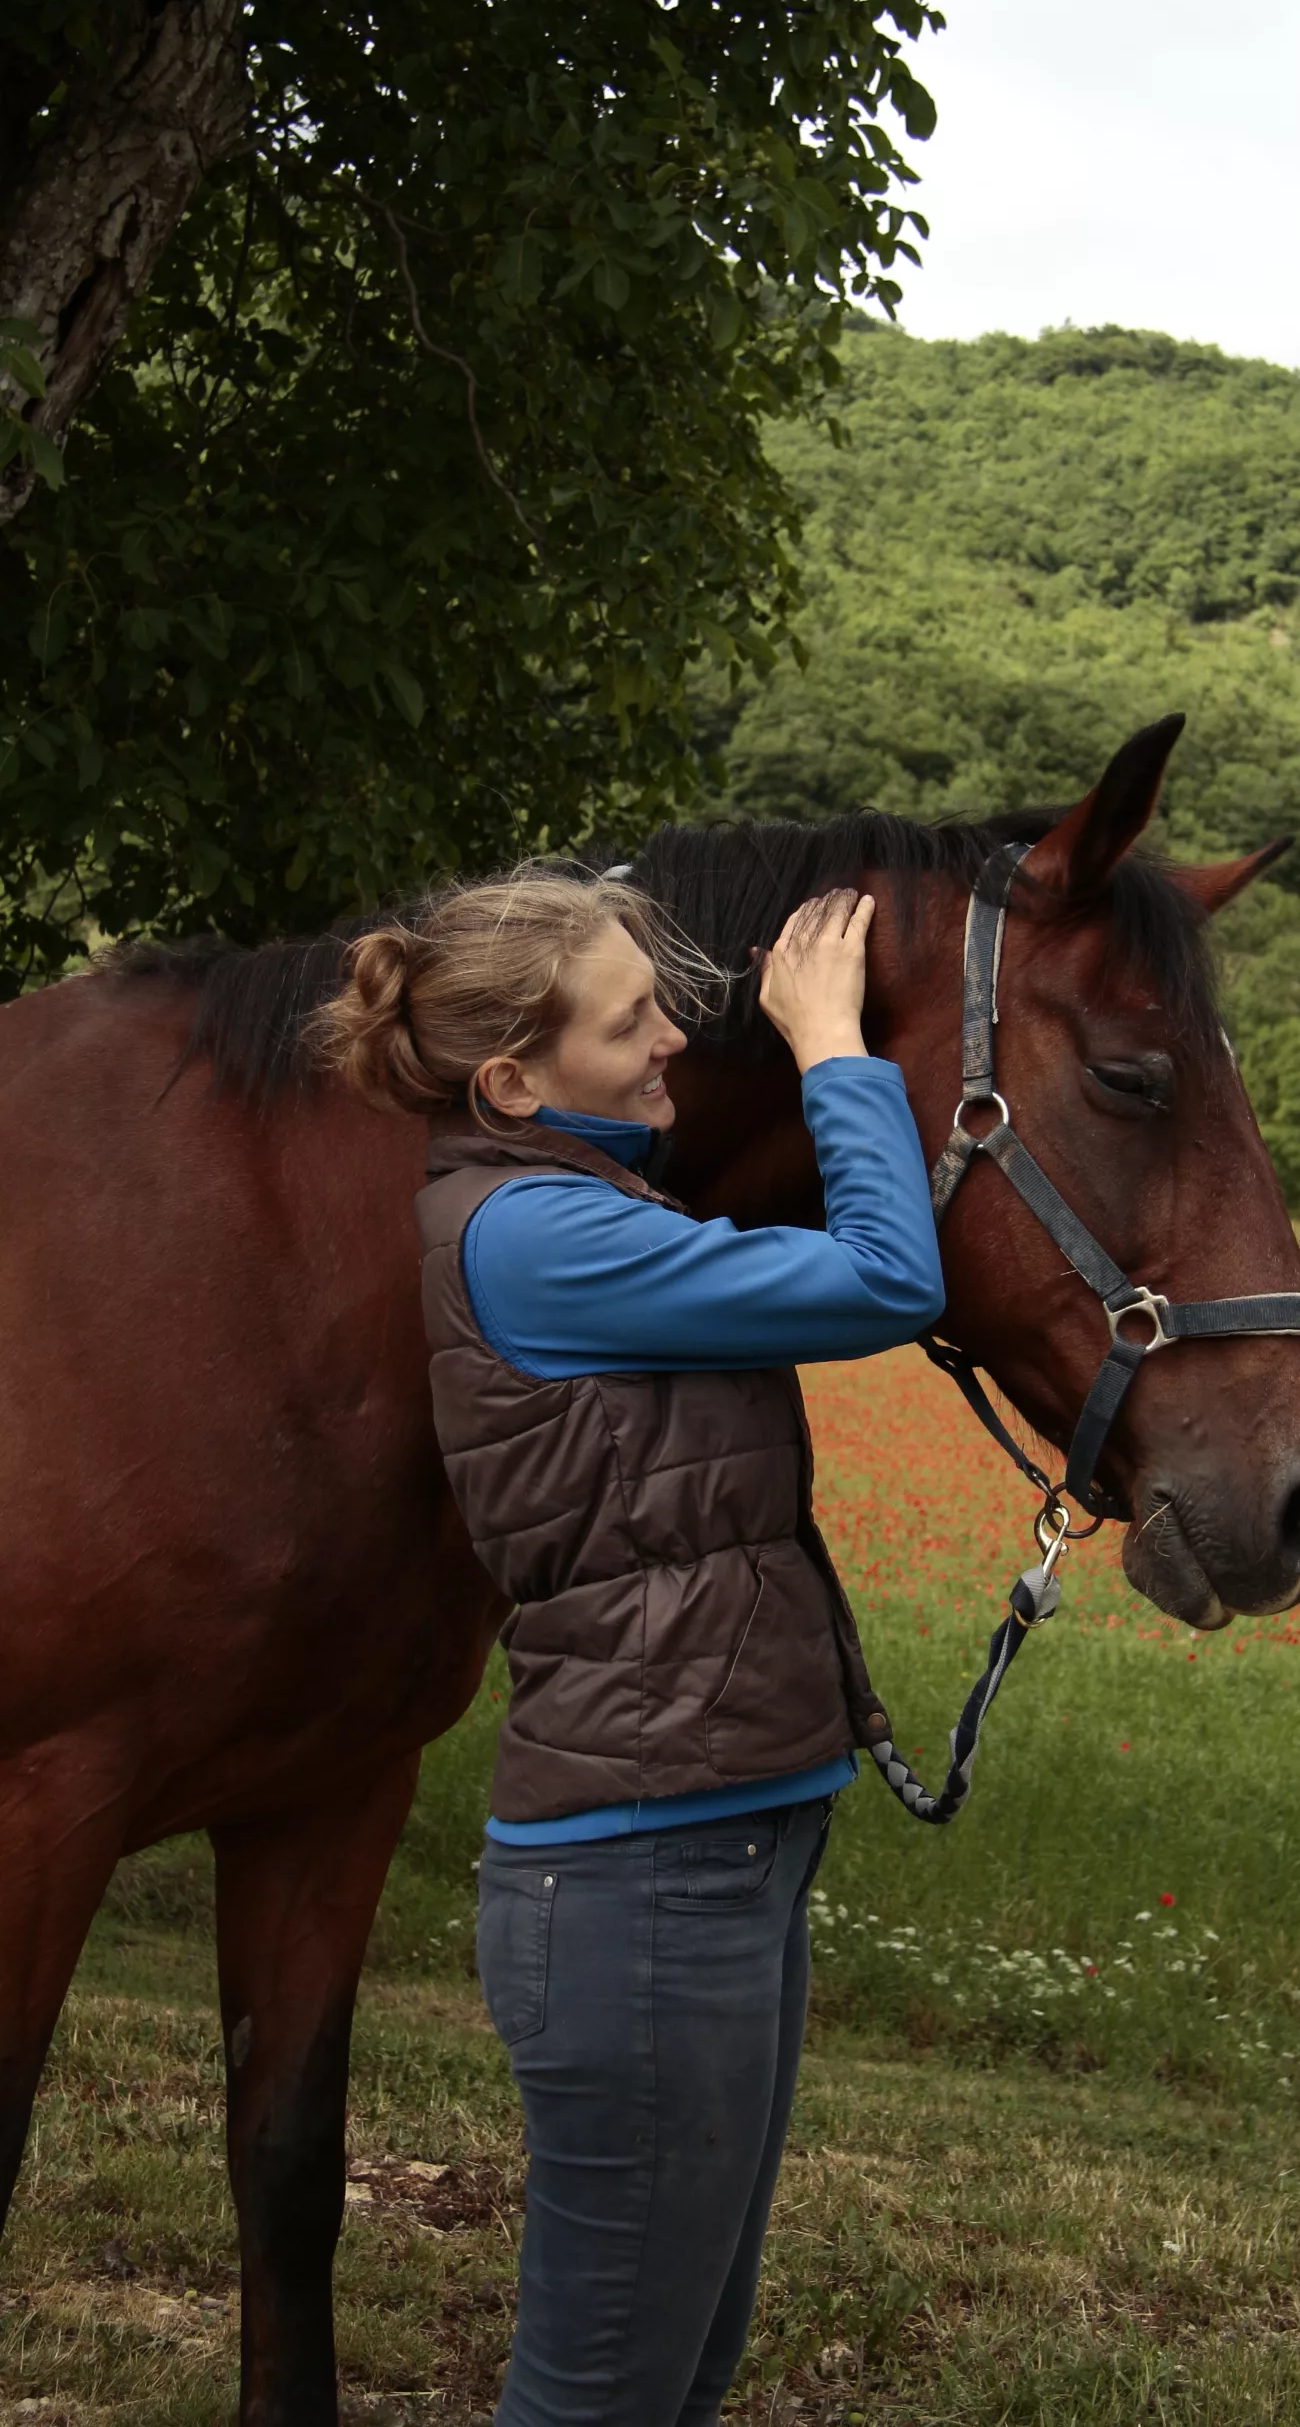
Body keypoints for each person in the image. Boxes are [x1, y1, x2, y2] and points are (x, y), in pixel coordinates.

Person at [313, 865, 943, 2427]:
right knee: (600, 2395)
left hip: (709, 1846)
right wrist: (832, 1048)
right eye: (632, 1018)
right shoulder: (533, 1236)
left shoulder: (593, 1210)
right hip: (643, 1879)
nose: (674, 1038)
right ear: (514, 1083)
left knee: (675, 2376)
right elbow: (886, 1279)